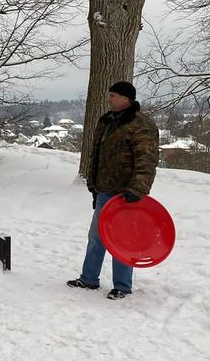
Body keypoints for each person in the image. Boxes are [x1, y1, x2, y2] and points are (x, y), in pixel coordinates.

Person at [67, 81, 159, 300]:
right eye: (109, 95)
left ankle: (123, 286)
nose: (109, 99)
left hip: (126, 194)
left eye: (113, 96)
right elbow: (96, 154)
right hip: (104, 190)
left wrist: (137, 189)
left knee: (122, 239)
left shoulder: (141, 124)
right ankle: (89, 279)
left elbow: (147, 162)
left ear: (127, 99)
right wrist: (93, 184)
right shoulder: (106, 121)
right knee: (97, 237)